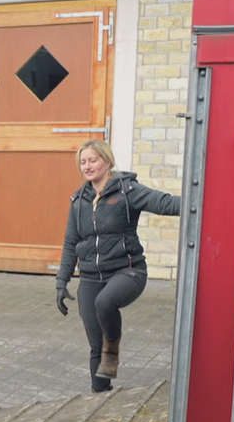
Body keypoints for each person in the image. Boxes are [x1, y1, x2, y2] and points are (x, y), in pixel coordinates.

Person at [54, 140, 180, 393]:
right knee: (94, 344)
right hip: (90, 276)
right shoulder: (79, 200)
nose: (88, 166)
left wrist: (200, 202)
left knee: (105, 303)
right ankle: (100, 396)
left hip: (128, 270)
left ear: (107, 162)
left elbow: (164, 203)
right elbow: (71, 243)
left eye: (93, 160)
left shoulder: (127, 190)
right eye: (83, 162)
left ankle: (112, 347)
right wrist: (61, 281)